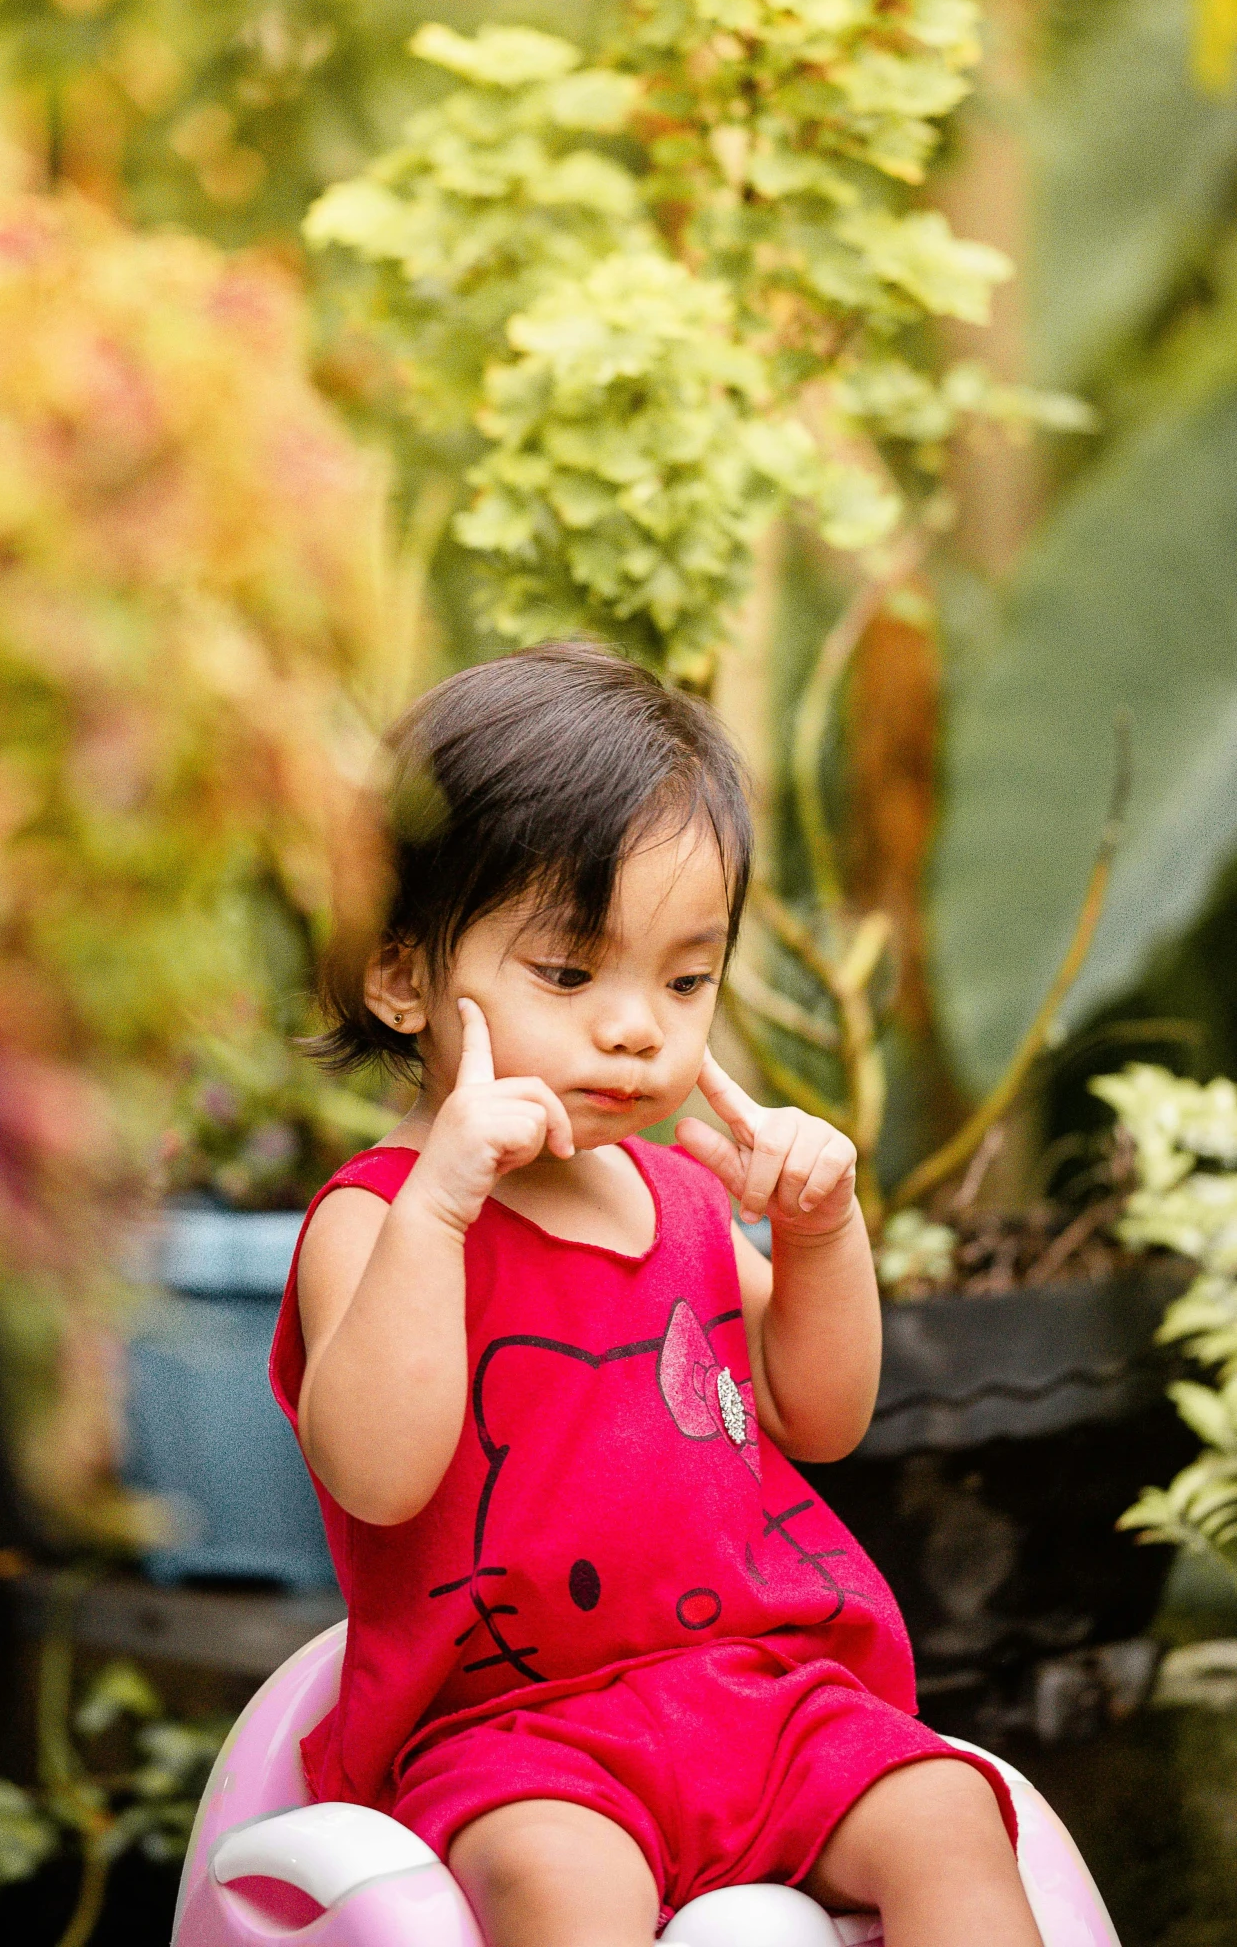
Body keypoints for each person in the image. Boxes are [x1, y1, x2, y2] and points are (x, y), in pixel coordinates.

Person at [270, 643, 1040, 1947]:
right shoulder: (383, 1217)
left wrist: (816, 1235)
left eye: (683, 979)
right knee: (560, 1883)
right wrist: (444, 1204)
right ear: (403, 977)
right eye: (569, 974)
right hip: (520, 1731)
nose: (636, 1027)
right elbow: (380, 1472)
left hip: (758, 1692)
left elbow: (820, 1411)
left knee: (948, 1817)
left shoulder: (676, 1204)